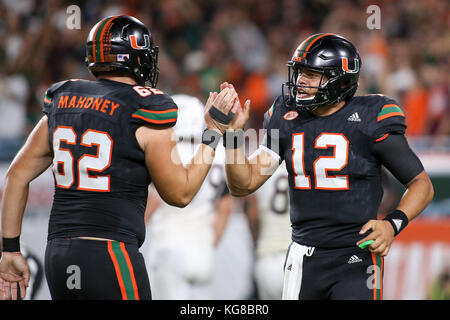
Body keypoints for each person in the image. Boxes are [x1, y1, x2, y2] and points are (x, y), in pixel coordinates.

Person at [0, 15, 238, 300]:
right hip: (111, 254)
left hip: (60, 254)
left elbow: (16, 175)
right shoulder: (146, 104)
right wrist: (212, 133)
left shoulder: (63, 97)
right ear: (136, 58)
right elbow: (180, 194)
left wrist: (10, 249)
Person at [223, 33, 434, 300]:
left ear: (340, 80)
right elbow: (244, 184)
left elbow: (421, 185)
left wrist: (393, 224)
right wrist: (231, 137)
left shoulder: (371, 117)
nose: (300, 81)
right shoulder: (286, 116)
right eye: (300, 73)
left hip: (357, 256)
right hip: (303, 255)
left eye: (311, 74)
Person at [144, 94, 232, 299]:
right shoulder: (216, 153)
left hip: (170, 250)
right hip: (203, 254)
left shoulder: (164, 152)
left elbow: (151, 205)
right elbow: (225, 209)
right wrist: (207, 244)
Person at [246, 163, 291, 300]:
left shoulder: (261, 168)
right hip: (296, 256)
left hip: (267, 255)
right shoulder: (303, 167)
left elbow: (253, 217)